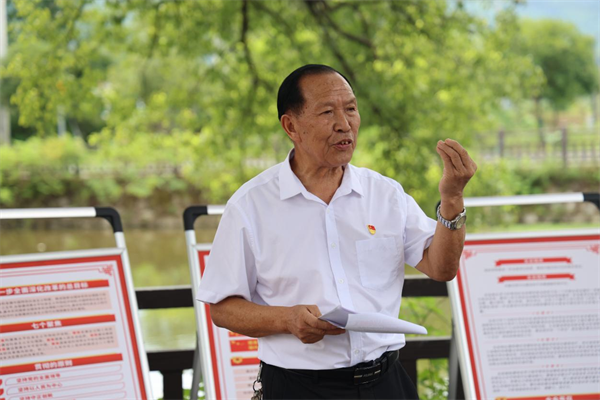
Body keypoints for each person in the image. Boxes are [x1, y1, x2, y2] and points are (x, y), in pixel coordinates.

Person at [197, 64, 477, 400]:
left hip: (386, 382)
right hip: (298, 388)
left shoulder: (384, 194)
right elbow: (222, 308)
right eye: (327, 112)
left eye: (351, 109)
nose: (344, 124)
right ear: (291, 126)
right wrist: (287, 319)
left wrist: (452, 199)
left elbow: (441, 267)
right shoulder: (251, 205)